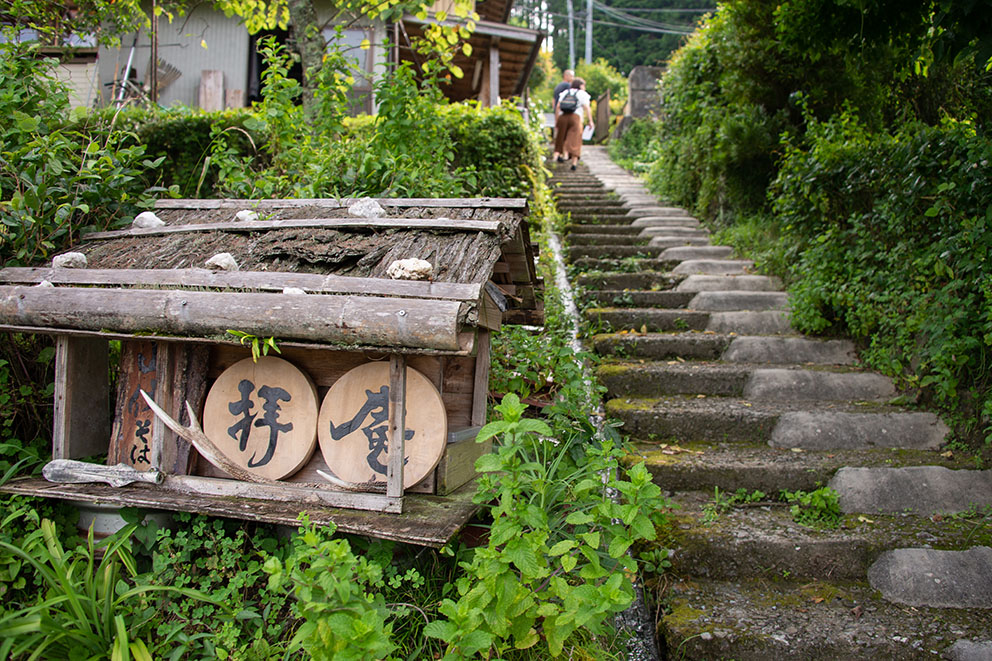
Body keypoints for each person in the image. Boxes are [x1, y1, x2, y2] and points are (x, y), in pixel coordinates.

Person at [553, 77, 594, 170]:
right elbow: (587, 108)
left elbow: (558, 106)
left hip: (562, 117)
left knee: (561, 137)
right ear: (581, 85)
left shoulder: (565, 92)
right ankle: (574, 163)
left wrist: (556, 120)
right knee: (575, 139)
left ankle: (557, 156)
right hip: (575, 118)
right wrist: (590, 121)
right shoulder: (582, 94)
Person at [551, 69, 574, 160]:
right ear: (566, 76)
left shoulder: (557, 86)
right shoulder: (567, 86)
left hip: (558, 111)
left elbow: (553, 100)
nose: (573, 78)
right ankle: (565, 153)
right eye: (572, 76)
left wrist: (555, 112)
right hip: (565, 111)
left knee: (560, 133)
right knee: (567, 133)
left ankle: (559, 154)